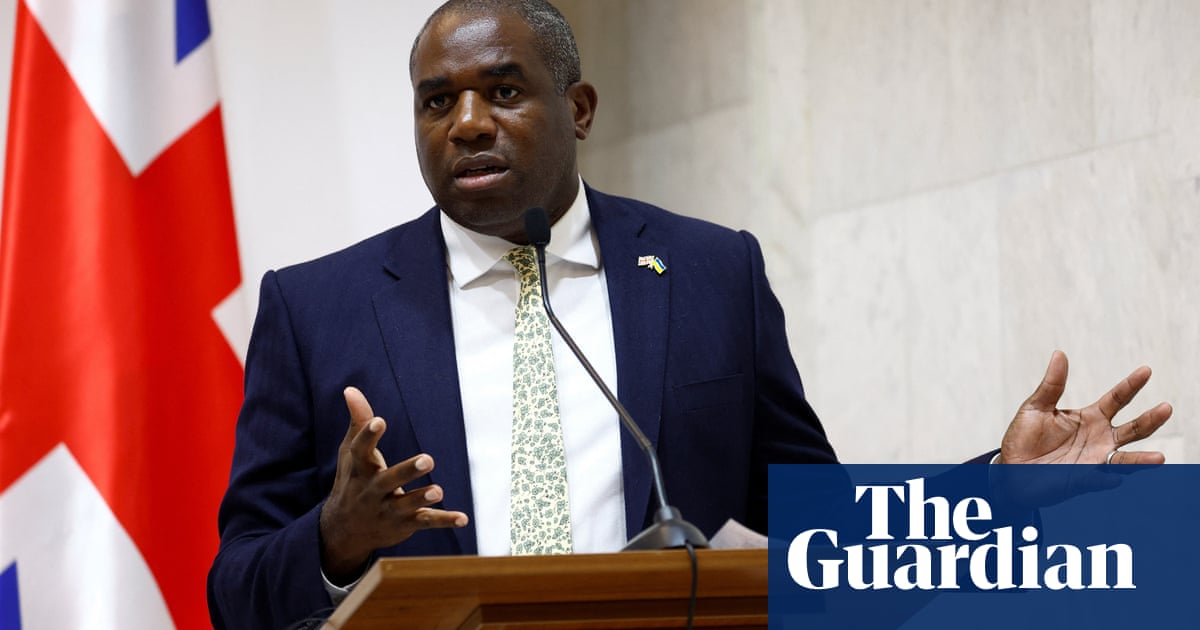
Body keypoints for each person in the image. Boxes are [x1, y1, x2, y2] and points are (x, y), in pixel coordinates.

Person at [206, 1, 1173, 628]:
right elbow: (233, 590)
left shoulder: (712, 273)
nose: (466, 124)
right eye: (435, 102)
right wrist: (333, 538)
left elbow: (814, 526)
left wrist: (998, 490)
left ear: (579, 109)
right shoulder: (316, 307)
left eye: (502, 91)